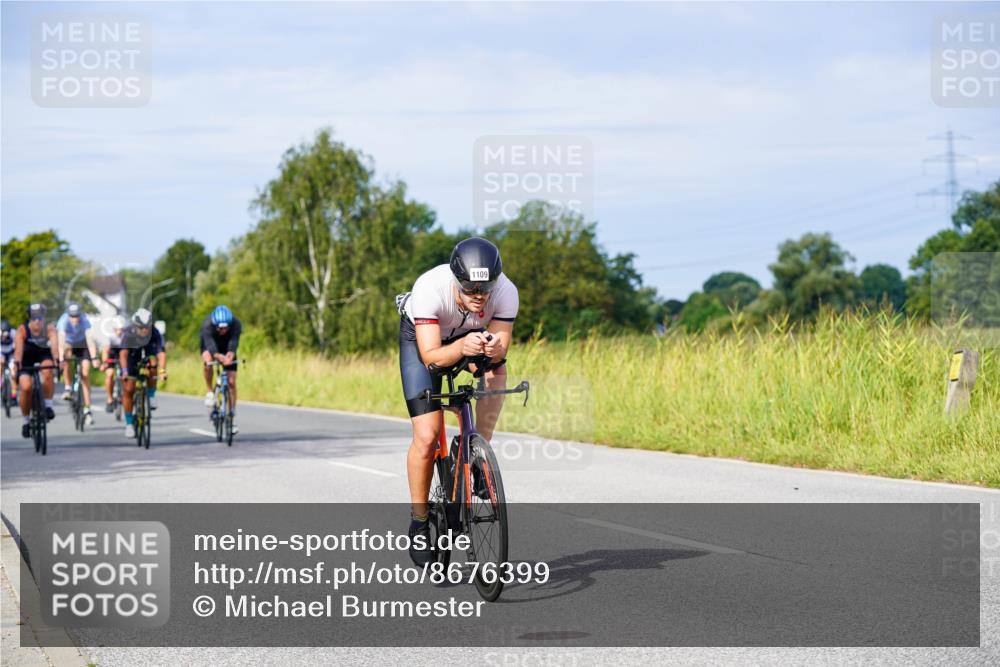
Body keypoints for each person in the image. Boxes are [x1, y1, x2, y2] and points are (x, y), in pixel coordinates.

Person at [397, 237, 518, 564]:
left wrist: (494, 350)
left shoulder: (506, 291)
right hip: (424, 343)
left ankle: (478, 452)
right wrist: (463, 347)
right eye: (471, 291)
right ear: (456, 281)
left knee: (497, 371)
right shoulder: (429, 290)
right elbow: (432, 358)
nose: (480, 299)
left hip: (468, 338)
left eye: (486, 290)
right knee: (426, 436)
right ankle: (420, 522)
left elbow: (501, 346)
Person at [119, 308, 167, 438]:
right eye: (141, 328)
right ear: (136, 326)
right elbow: (123, 355)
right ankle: (129, 424)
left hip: (148, 353)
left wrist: (162, 371)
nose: (144, 330)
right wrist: (124, 372)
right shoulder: (129, 334)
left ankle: (151, 395)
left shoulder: (155, 333)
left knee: (153, 364)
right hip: (132, 358)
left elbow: (161, 354)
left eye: (147, 327)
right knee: (129, 388)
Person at [13, 304, 59, 438]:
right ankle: (26, 421)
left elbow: (55, 348)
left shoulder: (49, 328)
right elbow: (18, 351)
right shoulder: (22, 330)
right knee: (26, 387)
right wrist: (18, 363)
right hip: (26, 357)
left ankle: (48, 405)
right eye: (34, 318)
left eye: (40, 317)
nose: (37, 321)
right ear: (29, 319)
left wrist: (57, 359)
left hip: (42, 354)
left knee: (48, 370)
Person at [199, 305, 241, 433]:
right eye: (220, 328)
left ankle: (231, 417)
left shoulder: (235, 324)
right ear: (215, 325)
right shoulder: (207, 326)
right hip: (210, 346)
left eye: (225, 328)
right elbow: (210, 345)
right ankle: (210, 391)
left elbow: (234, 342)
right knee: (208, 362)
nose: (223, 330)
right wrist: (217, 356)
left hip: (227, 346)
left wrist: (230, 354)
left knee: (232, 382)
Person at [56, 302, 98, 425]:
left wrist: (94, 357)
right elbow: (61, 340)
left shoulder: (84, 319)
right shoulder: (63, 321)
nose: (75, 319)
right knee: (67, 355)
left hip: (82, 344)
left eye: (77, 316)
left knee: (85, 374)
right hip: (68, 343)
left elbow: (90, 339)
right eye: (72, 316)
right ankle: (68, 388)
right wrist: (61, 358)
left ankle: (87, 409)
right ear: (68, 315)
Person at [99, 316, 127, 413]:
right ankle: (110, 398)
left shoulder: (127, 335)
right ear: (114, 329)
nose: (120, 332)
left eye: (122, 329)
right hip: (112, 354)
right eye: (118, 329)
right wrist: (105, 362)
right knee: (110, 374)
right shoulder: (110, 336)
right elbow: (105, 351)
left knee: (126, 374)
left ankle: (125, 394)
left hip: (124, 353)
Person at [1, 319, 16, 404]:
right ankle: (1, 384)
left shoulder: (13, 333)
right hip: (1, 352)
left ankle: (13, 395)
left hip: (11, 353)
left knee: (14, 374)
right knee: (0, 366)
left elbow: (17, 345)